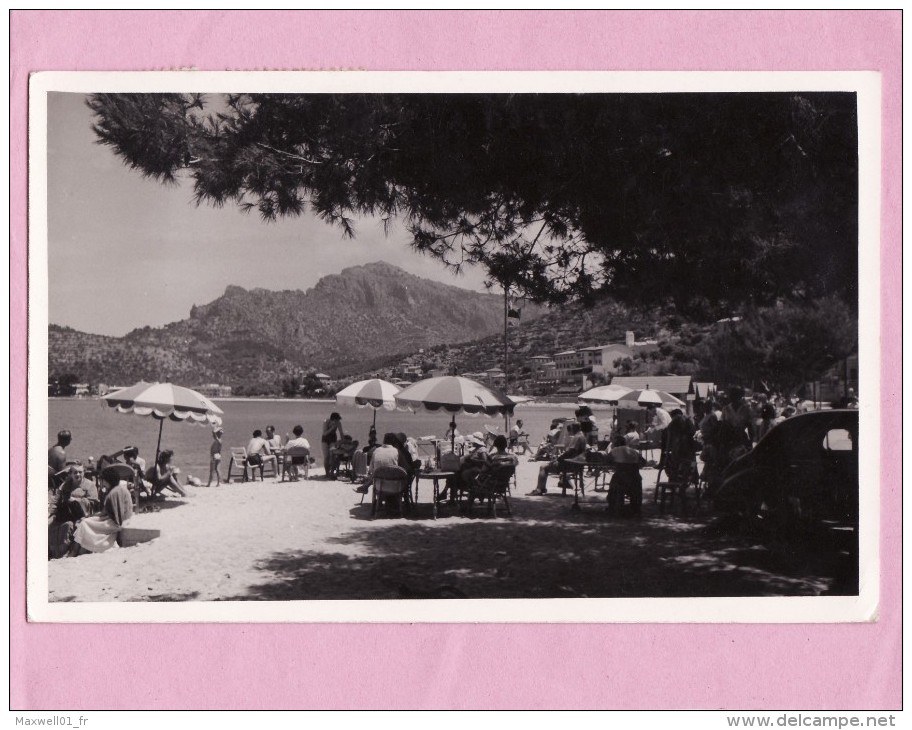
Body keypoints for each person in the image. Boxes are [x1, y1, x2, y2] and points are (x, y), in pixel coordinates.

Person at [71, 480, 134, 555]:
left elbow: (107, 513)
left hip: (112, 523)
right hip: (110, 520)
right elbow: (105, 512)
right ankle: (78, 551)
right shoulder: (114, 493)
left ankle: (74, 551)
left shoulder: (115, 494)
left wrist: (90, 517)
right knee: (85, 522)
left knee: (84, 523)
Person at [529, 420, 588, 495]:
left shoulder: (577, 437)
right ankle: (542, 488)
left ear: (574, 428)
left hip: (570, 464)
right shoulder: (582, 436)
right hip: (577, 463)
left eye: (572, 428)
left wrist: (559, 459)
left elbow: (570, 452)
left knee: (543, 467)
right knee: (547, 465)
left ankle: (539, 489)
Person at [605, 434, 646, 517]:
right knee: (633, 479)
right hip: (635, 479)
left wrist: (615, 463)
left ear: (615, 444)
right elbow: (643, 462)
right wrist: (635, 465)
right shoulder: (633, 451)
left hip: (621, 479)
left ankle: (613, 506)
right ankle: (636, 509)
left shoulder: (615, 450)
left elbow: (606, 460)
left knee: (615, 480)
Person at [321, 412, 345, 478]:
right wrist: (332, 428)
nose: (338, 421)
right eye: (337, 420)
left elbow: (341, 433)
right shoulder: (326, 421)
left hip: (333, 439)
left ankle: (332, 471)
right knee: (326, 456)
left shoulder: (338, 423)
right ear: (333, 419)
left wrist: (343, 441)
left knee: (333, 455)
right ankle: (327, 473)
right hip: (325, 439)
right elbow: (324, 433)